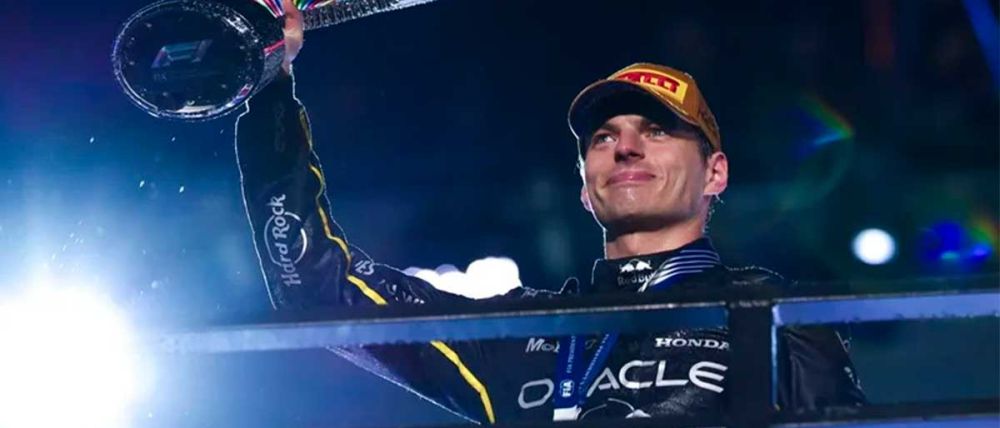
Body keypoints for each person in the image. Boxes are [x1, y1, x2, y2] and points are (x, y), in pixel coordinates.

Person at [233, 1, 866, 423]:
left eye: (656, 130)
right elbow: (317, 291)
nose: (625, 146)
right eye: (603, 137)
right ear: (586, 188)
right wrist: (269, 91)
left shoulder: (774, 318)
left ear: (716, 174)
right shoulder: (522, 332)